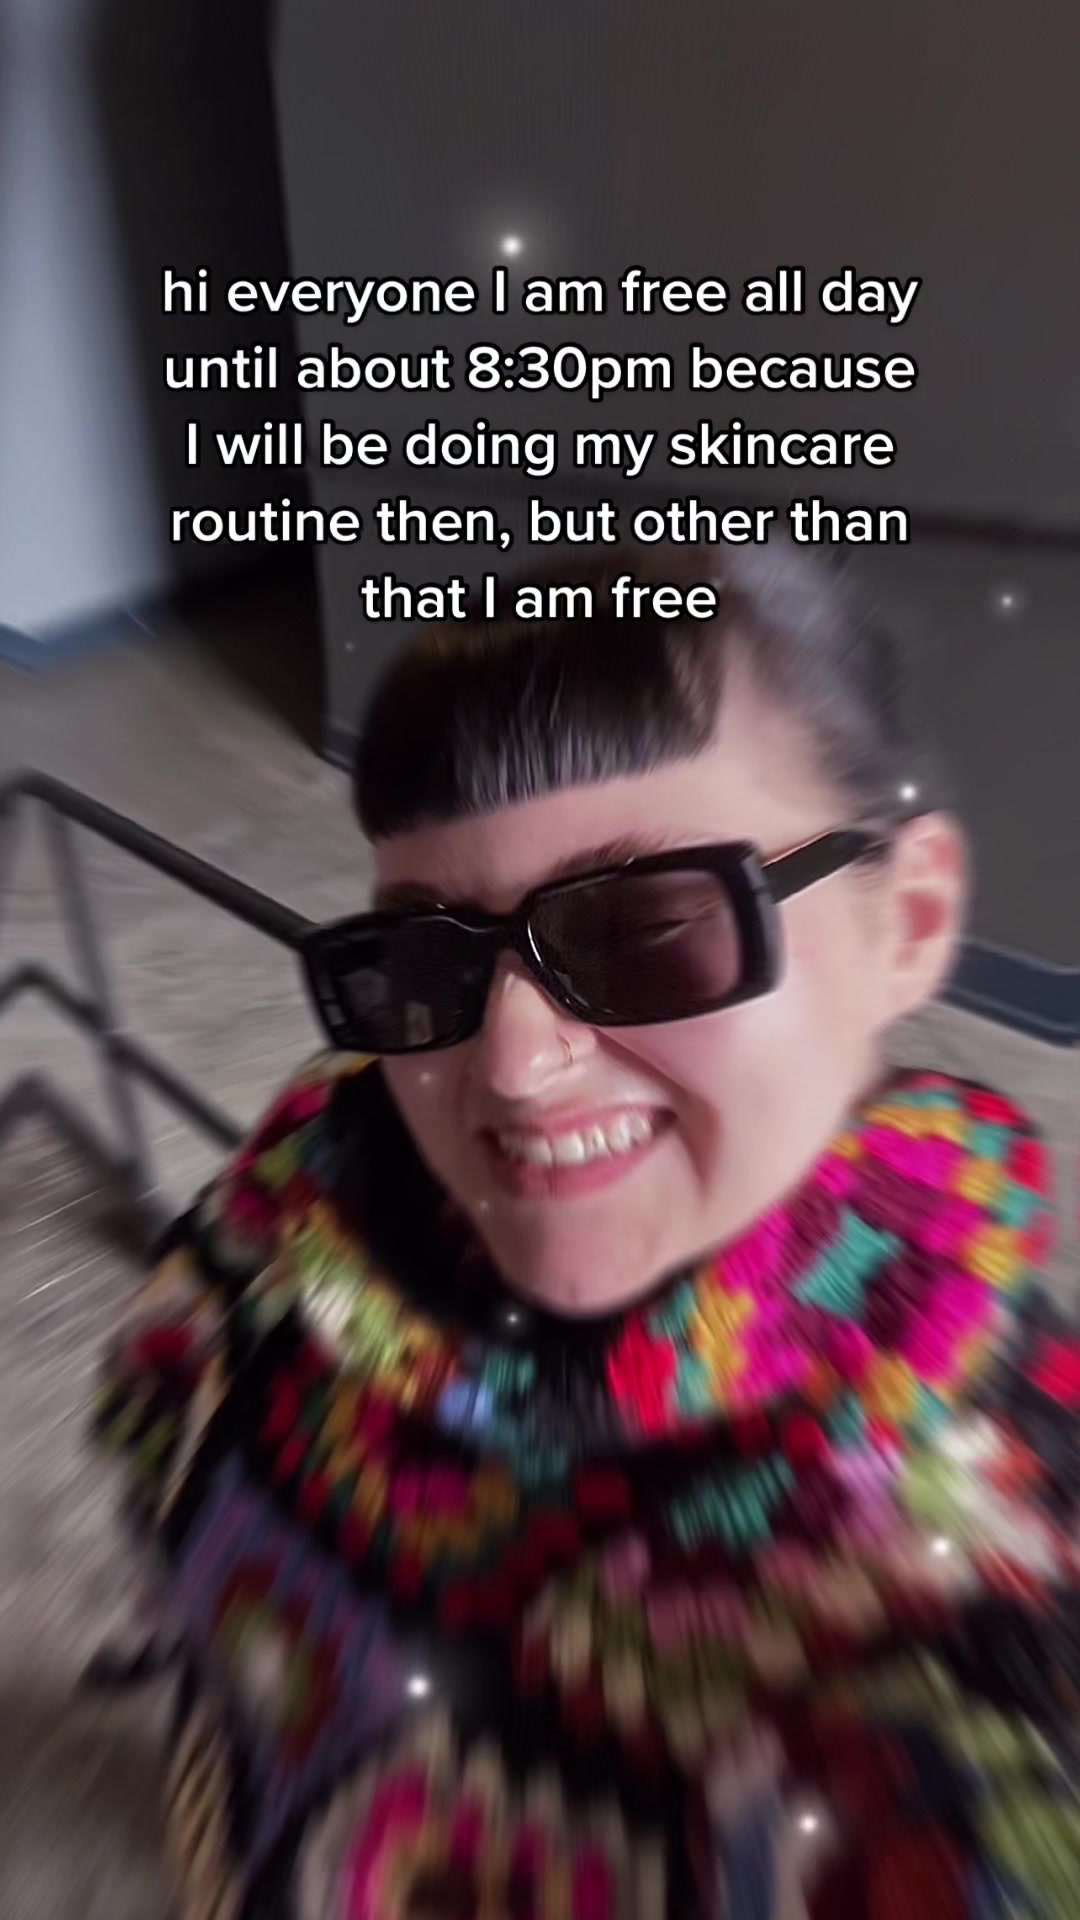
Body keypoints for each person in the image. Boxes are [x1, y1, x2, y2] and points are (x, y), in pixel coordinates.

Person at [95, 543, 1075, 1919]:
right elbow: (176, 1355)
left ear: (906, 925)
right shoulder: (336, 1135)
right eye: (428, 955)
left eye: (648, 927)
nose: (511, 1065)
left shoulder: (994, 1576)